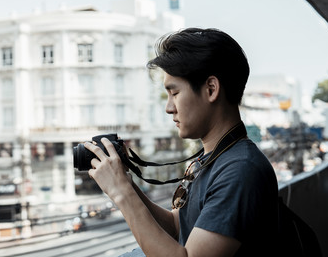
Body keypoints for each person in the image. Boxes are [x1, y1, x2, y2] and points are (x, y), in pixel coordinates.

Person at [85, 28, 278, 257]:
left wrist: (122, 194)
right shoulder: (214, 159)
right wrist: (125, 183)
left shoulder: (239, 169)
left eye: (174, 93)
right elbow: (178, 227)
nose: (168, 108)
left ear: (211, 89)